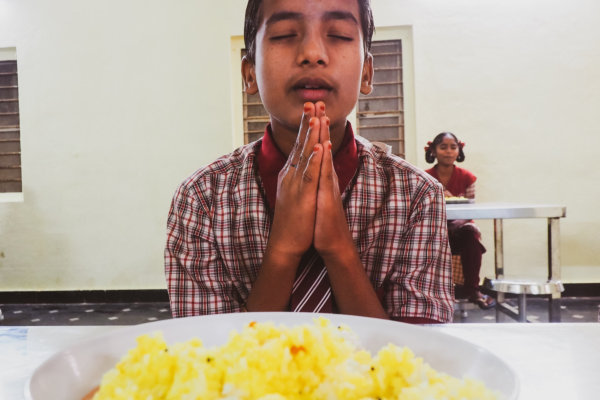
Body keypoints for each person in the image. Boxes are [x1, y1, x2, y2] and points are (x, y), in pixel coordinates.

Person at [165, 0, 454, 323]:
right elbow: (210, 359)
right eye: (285, 34)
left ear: (367, 74)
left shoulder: (417, 196)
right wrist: (283, 250)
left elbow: (419, 359)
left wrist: (338, 248)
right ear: (249, 74)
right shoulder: (202, 199)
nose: (312, 52)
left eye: (340, 35)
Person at [424, 132, 496, 309]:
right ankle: (431, 292)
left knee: (471, 236)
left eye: (453, 147)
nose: (448, 152)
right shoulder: (424, 176)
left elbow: (469, 209)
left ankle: (472, 290)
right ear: (433, 151)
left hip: (460, 231)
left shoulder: (467, 177)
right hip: (434, 230)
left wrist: (459, 222)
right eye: (443, 147)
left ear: (459, 151)